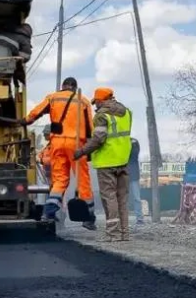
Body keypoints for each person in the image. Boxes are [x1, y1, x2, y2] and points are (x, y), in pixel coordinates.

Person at [24, 77, 96, 229]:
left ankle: (48, 212)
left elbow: (36, 113)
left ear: (63, 86)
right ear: (74, 88)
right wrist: (87, 151)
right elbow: (90, 127)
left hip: (57, 144)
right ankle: (88, 217)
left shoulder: (53, 97)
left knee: (59, 180)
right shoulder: (83, 101)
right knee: (83, 180)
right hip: (77, 145)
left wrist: (25, 120)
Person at [75, 88, 133, 241]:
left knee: (109, 198)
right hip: (123, 161)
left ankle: (112, 234)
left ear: (101, 100)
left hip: (107, 163)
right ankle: (124, 233)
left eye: (96, 102)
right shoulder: (127, 112)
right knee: (122, 199)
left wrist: (82, 151)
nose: (95, 106)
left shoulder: (101, 116)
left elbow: (98, 139)